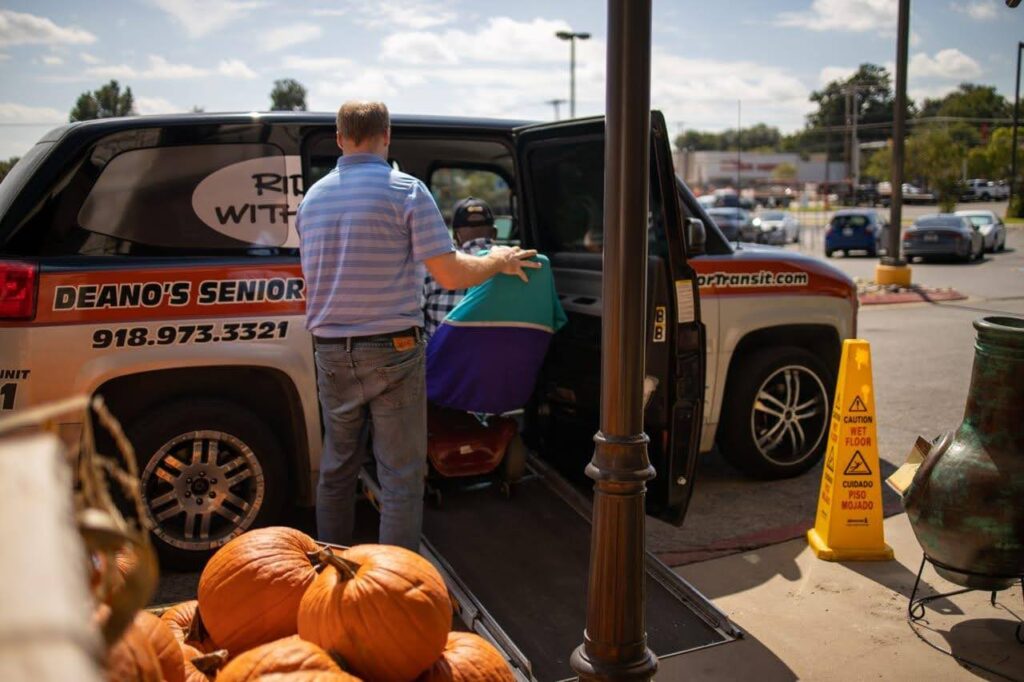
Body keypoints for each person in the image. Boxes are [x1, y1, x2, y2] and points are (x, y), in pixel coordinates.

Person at [296, 101, 540, 551]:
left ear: (339, 138)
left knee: (337, 467)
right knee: (401, 476)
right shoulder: (406, 190)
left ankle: (327, 567)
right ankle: (393, 585)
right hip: (393, 348)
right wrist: (496, 260)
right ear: (386, 135)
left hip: (330, 348)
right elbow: (451, 275)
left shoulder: (313, 198)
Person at [422, 196, 498, 337]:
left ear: (456, 237)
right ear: (494, 232)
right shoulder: (519, 262)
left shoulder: (432, 267)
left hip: (443, 357)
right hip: (504, 356)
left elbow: (413, 316)